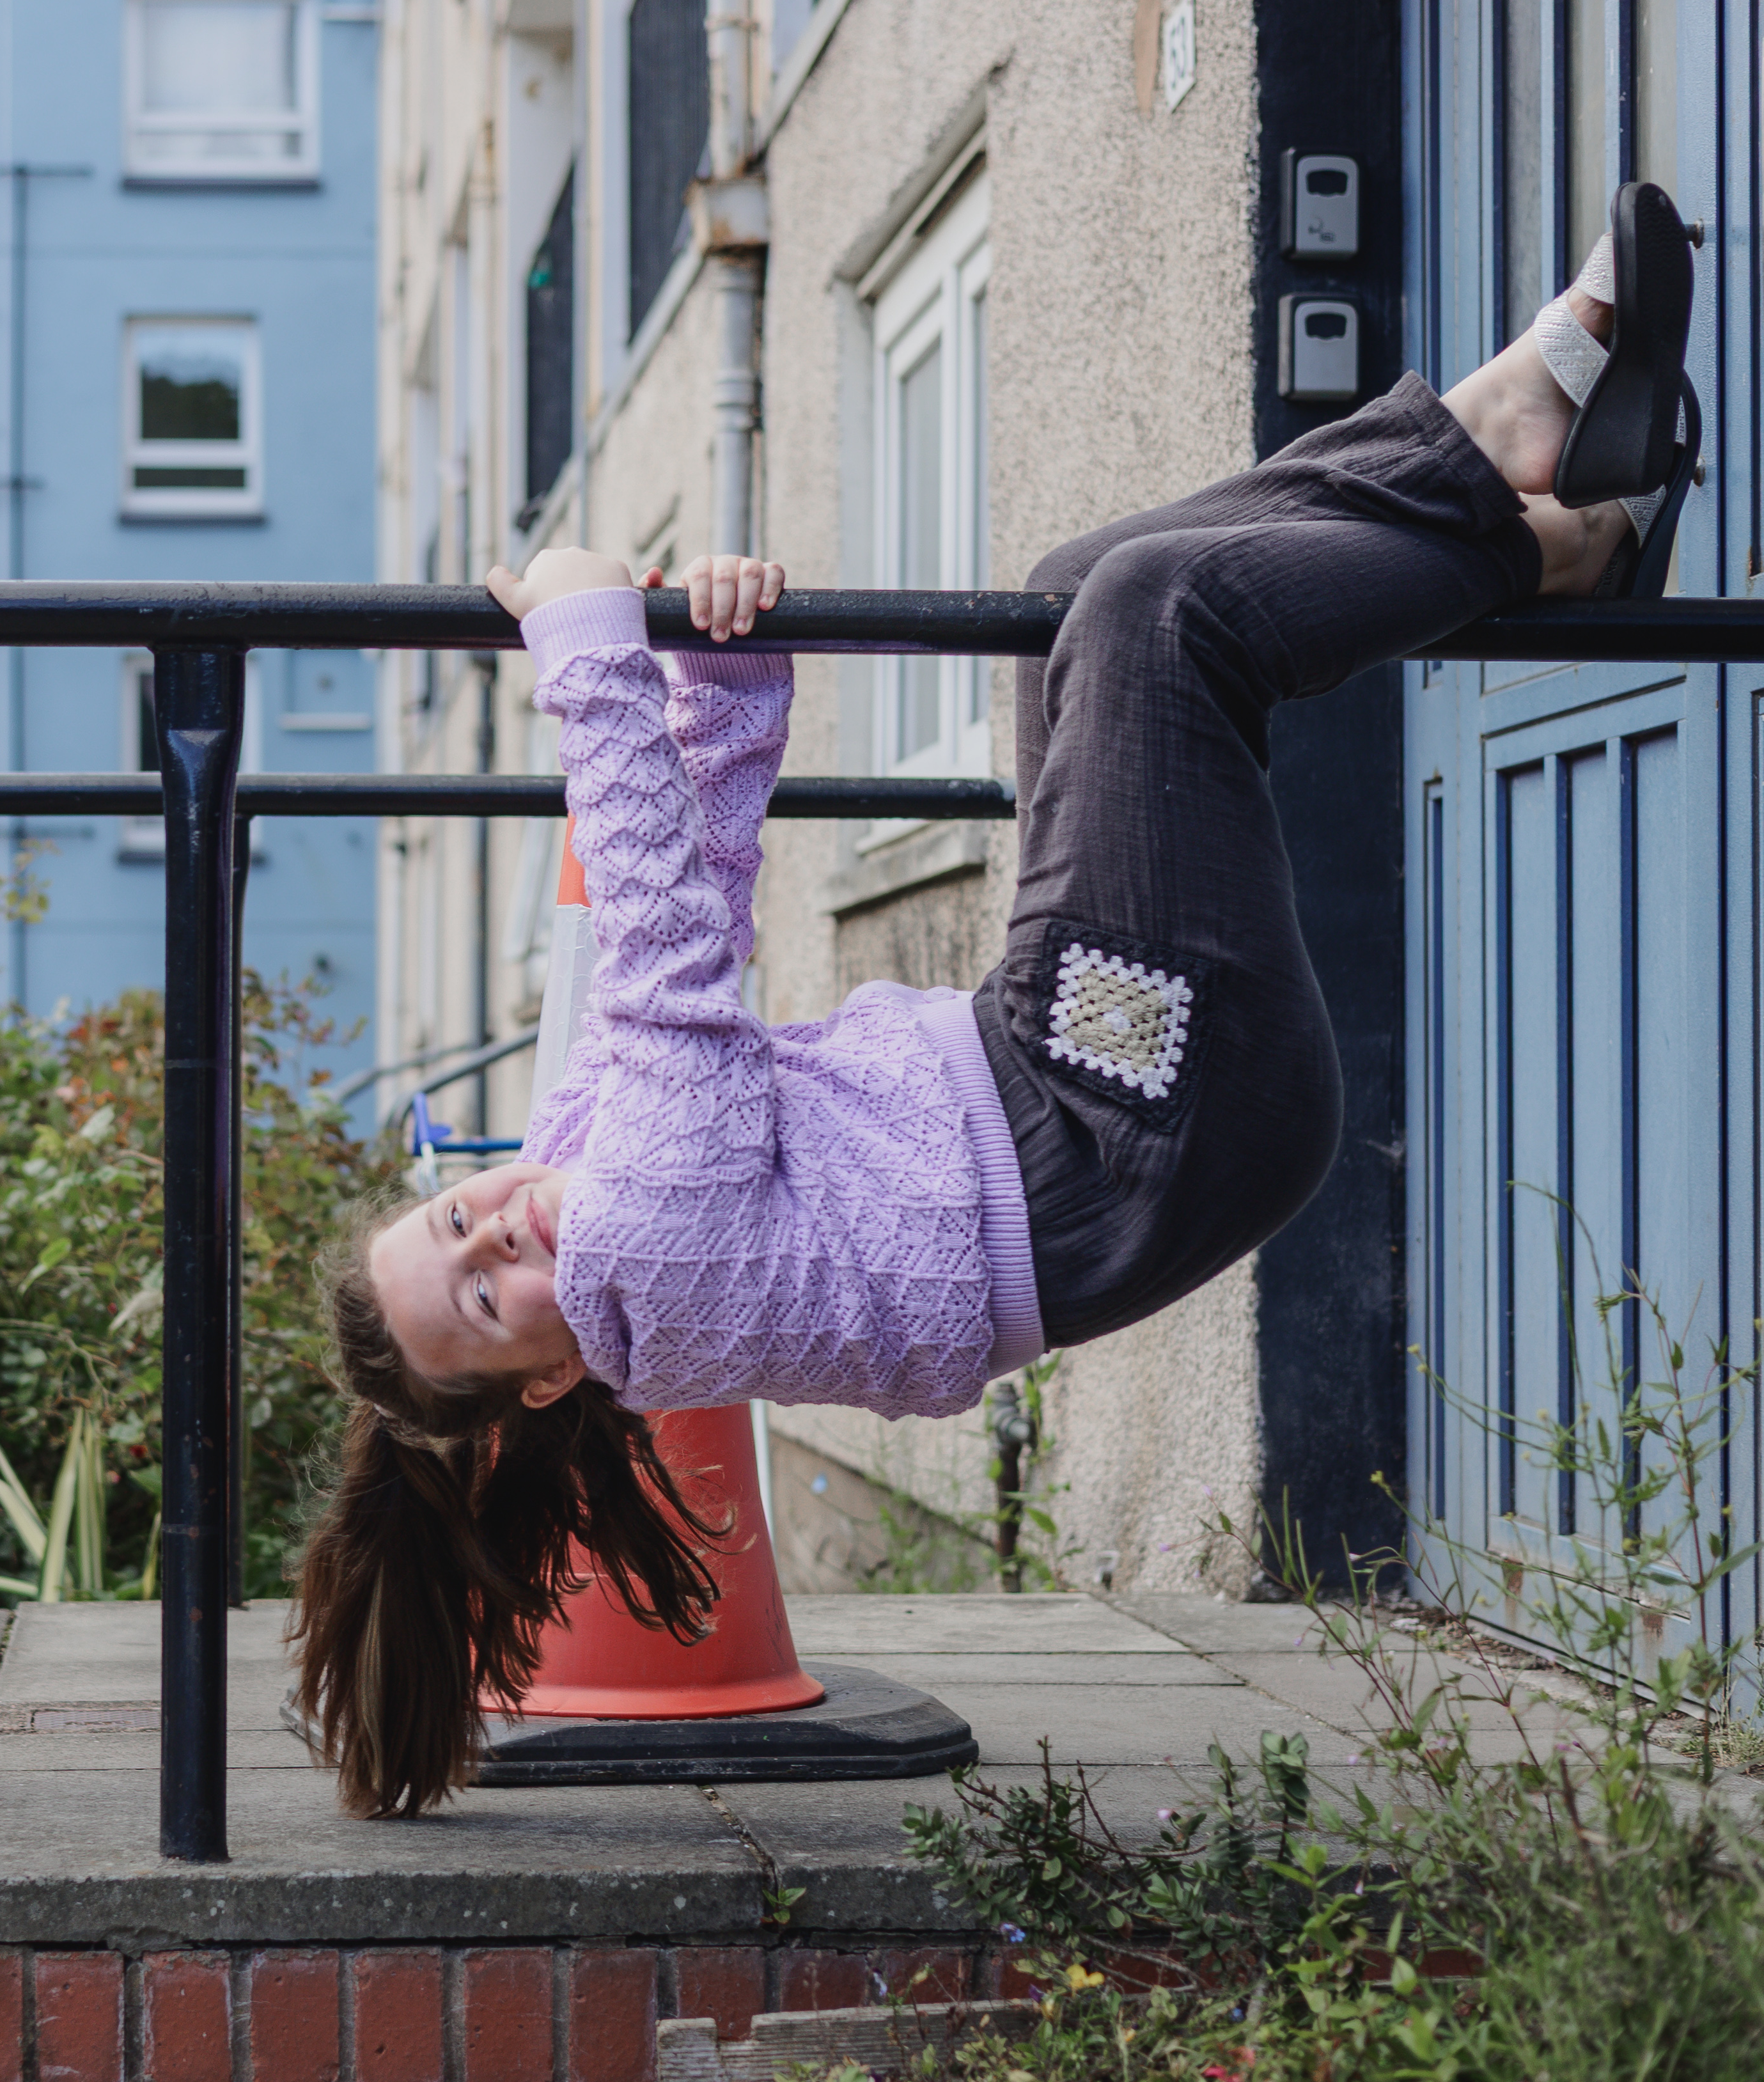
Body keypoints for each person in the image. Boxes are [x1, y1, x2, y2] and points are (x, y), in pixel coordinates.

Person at [297, 185, 1705, 1820]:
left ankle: (1549, 535)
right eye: (480, 1297)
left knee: (1069, 599)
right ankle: (1506, 460)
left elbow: (704, 892)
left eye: (456, 1217)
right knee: (1160, 621)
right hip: (1130, 1130)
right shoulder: (638, 1261)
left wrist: (723, 675)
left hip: (1066, 1076)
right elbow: (666, 957)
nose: (495, 1235)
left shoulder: (577, 1167)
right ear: (546, 1379)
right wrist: (590, 642)